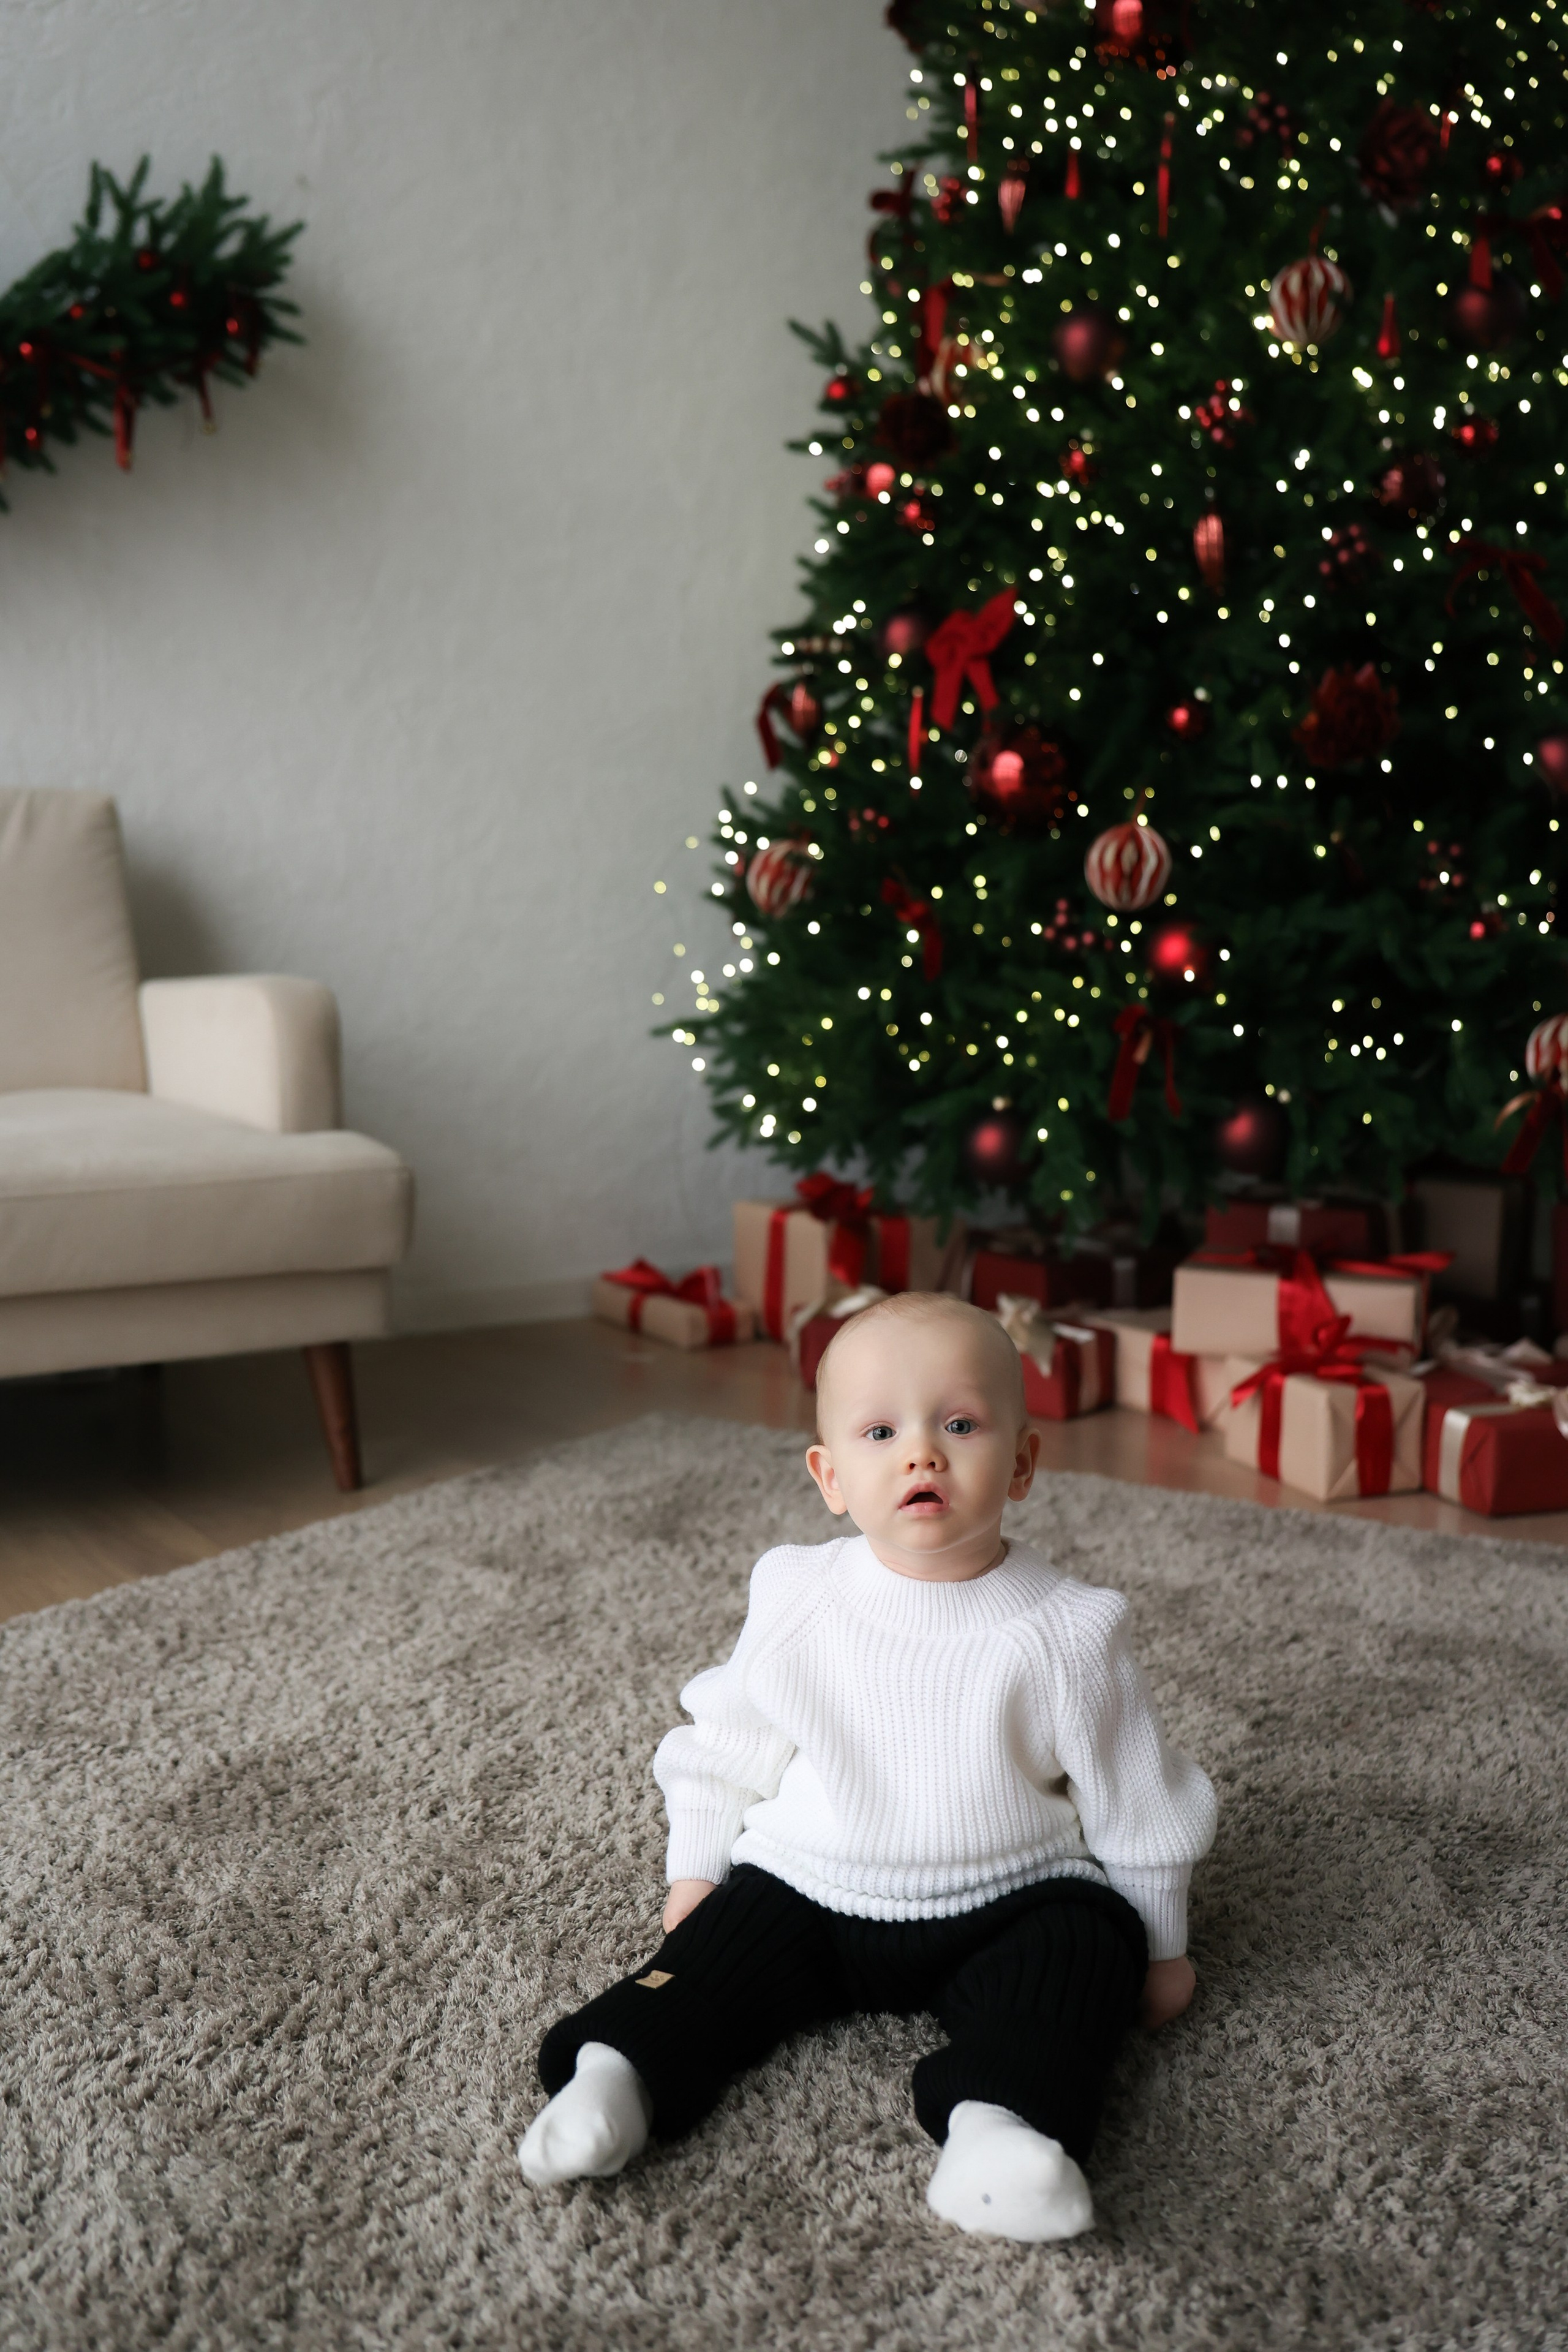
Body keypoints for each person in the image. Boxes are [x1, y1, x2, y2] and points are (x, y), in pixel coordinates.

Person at [519, 1291, 1217, 2241]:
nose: (921, 1453)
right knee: (706, 1966)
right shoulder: (801, 1596)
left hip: (1008, 1898)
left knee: (1082, 1954)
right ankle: (614, 2080)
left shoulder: (1068, 1629)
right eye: (881, 1430)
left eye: (960, 1424)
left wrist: (1161, 1942)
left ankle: (997, 2130)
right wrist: (696, 1870)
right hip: (811, 1885)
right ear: (830, 1476)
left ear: (1021, 1463)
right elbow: (726, 1744)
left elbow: (1137, 1797)